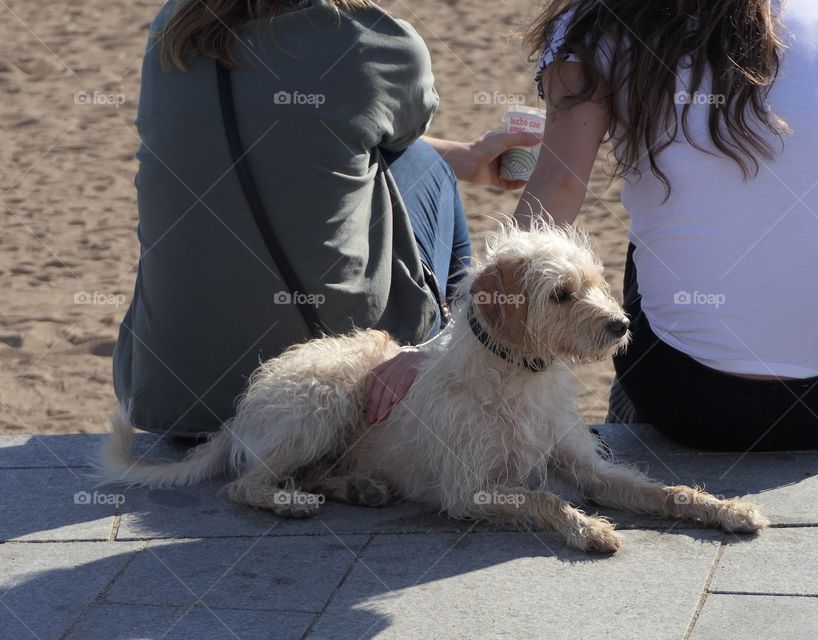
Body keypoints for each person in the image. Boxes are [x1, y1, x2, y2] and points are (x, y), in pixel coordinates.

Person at [374, 0, 818, 452]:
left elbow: (557, 194)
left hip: (696, 408)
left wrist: (443, 345)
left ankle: (631, 430)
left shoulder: (596, 28)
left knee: (649, 253)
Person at [113, 0, 537, 437]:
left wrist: (467, 158)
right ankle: (446, 368)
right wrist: (455, 164)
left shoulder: (177, 24)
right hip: (331, 397)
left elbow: (305, 130)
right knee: (432, 173)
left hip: (174, 397)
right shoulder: (375, 40)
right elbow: (389, 135)